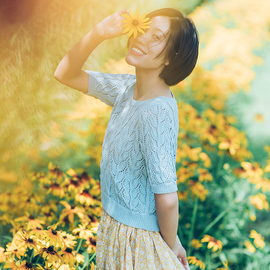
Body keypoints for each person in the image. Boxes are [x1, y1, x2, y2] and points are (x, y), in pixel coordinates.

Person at [54, 7, 199, 270]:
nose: (141, 38)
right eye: (143, 29)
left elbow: (167, 198)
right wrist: (99, 33)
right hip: (117, 233)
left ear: (171, 58)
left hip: (137, 244)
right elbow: (65, 73)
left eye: (156, 37)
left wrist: (172, 245)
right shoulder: (127, 89)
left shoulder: (157, 111)